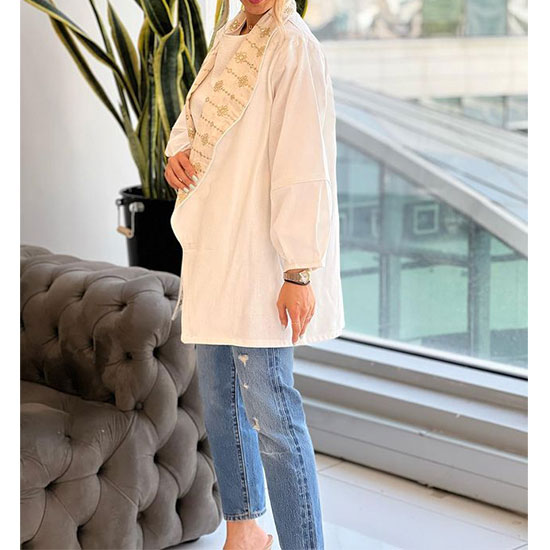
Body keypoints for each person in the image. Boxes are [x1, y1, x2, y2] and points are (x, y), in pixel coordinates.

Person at [164, 0, 344, 548]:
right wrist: (176, 152)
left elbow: (304, 167)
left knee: (273, 415)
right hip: (216, 249)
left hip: (264, 260)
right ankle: (243, 532)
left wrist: (298, 270)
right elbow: (194, 116)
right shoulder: (229, 34)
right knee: (221, 399)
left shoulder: (293, 46)